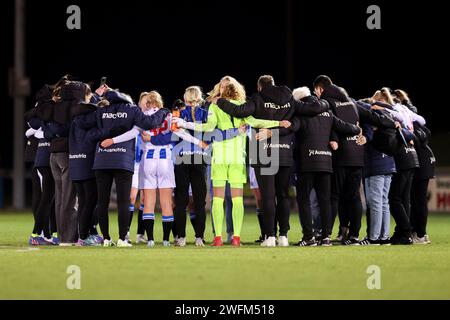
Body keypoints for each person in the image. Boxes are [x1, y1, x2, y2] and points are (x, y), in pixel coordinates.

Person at [214, 75, 329, 247]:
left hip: (263, 151)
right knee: (282, 195)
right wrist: (327, 102)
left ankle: (270, 237)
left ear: (260, 87)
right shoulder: (289, 99)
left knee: (267, 196)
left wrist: (220, 102)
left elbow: (239, 111)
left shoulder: (258, 98)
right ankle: (283, 235)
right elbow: (312, 109)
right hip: (284, 151)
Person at [174, 76, 288, 247]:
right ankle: (236, 238)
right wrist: (278, 122)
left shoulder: (215, 106)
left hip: (219, 155)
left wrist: (186, 124)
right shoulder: (242, 106)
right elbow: (255, 122)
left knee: (218, 199)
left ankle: (218, 238)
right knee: (237, 200)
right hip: (237, 156)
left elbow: (209, 127)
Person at [74, 88, 170, 247]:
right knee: (124, 201)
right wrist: (164, 111)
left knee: (102, 201)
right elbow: (150, 123)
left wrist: (87, 104)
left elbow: (81, 123)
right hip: (122, 160)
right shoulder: (131, 110)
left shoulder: (101, 110)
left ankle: (106, 238)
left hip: (102, 160)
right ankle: (122, 239)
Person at [313, 76, 396, 245]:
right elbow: (373, 117)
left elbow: (330, 124)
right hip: (358, 157)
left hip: (340, 155)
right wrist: (392, 123)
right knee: (354, 197)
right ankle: (354, 236)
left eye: (316, 91)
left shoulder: (327, 103)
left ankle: (326, 235)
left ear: (320, 89)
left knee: (333, 196)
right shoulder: (352, 102)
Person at [292, 86, 361, 246]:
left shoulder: (300, 112)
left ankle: (308, 237)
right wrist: (357, 129)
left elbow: (294, 129)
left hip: (306, 163)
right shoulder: (327, 113)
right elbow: (343, 126)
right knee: (325, 200)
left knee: (303, 201)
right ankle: (326, 237)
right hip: (325, 163)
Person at [371, 88, 421, 245]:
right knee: (403, 198)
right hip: (411, 157)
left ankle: (406, 231)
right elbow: (419, 126)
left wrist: (382, 110)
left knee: (394, 199)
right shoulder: (402, 113)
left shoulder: (391, 113)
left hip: (403, 159)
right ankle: (401, 232)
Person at [357, 99, 397, 245]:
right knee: (384, 202)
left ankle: (373, 238)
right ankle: (384, 237)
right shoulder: (386, 117)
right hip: (389, 163)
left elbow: (369, 135)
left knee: (375, 202)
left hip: (376, 165)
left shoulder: (368, 118)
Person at [25, 85, 56, 245]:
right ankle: (37, 234)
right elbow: (30, 127)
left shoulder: (46, 111)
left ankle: (48, 235)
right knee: (46, 199)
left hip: (46, 159)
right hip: (44, 160)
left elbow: (32, 127)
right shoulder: (49, 110)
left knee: (48, 199)